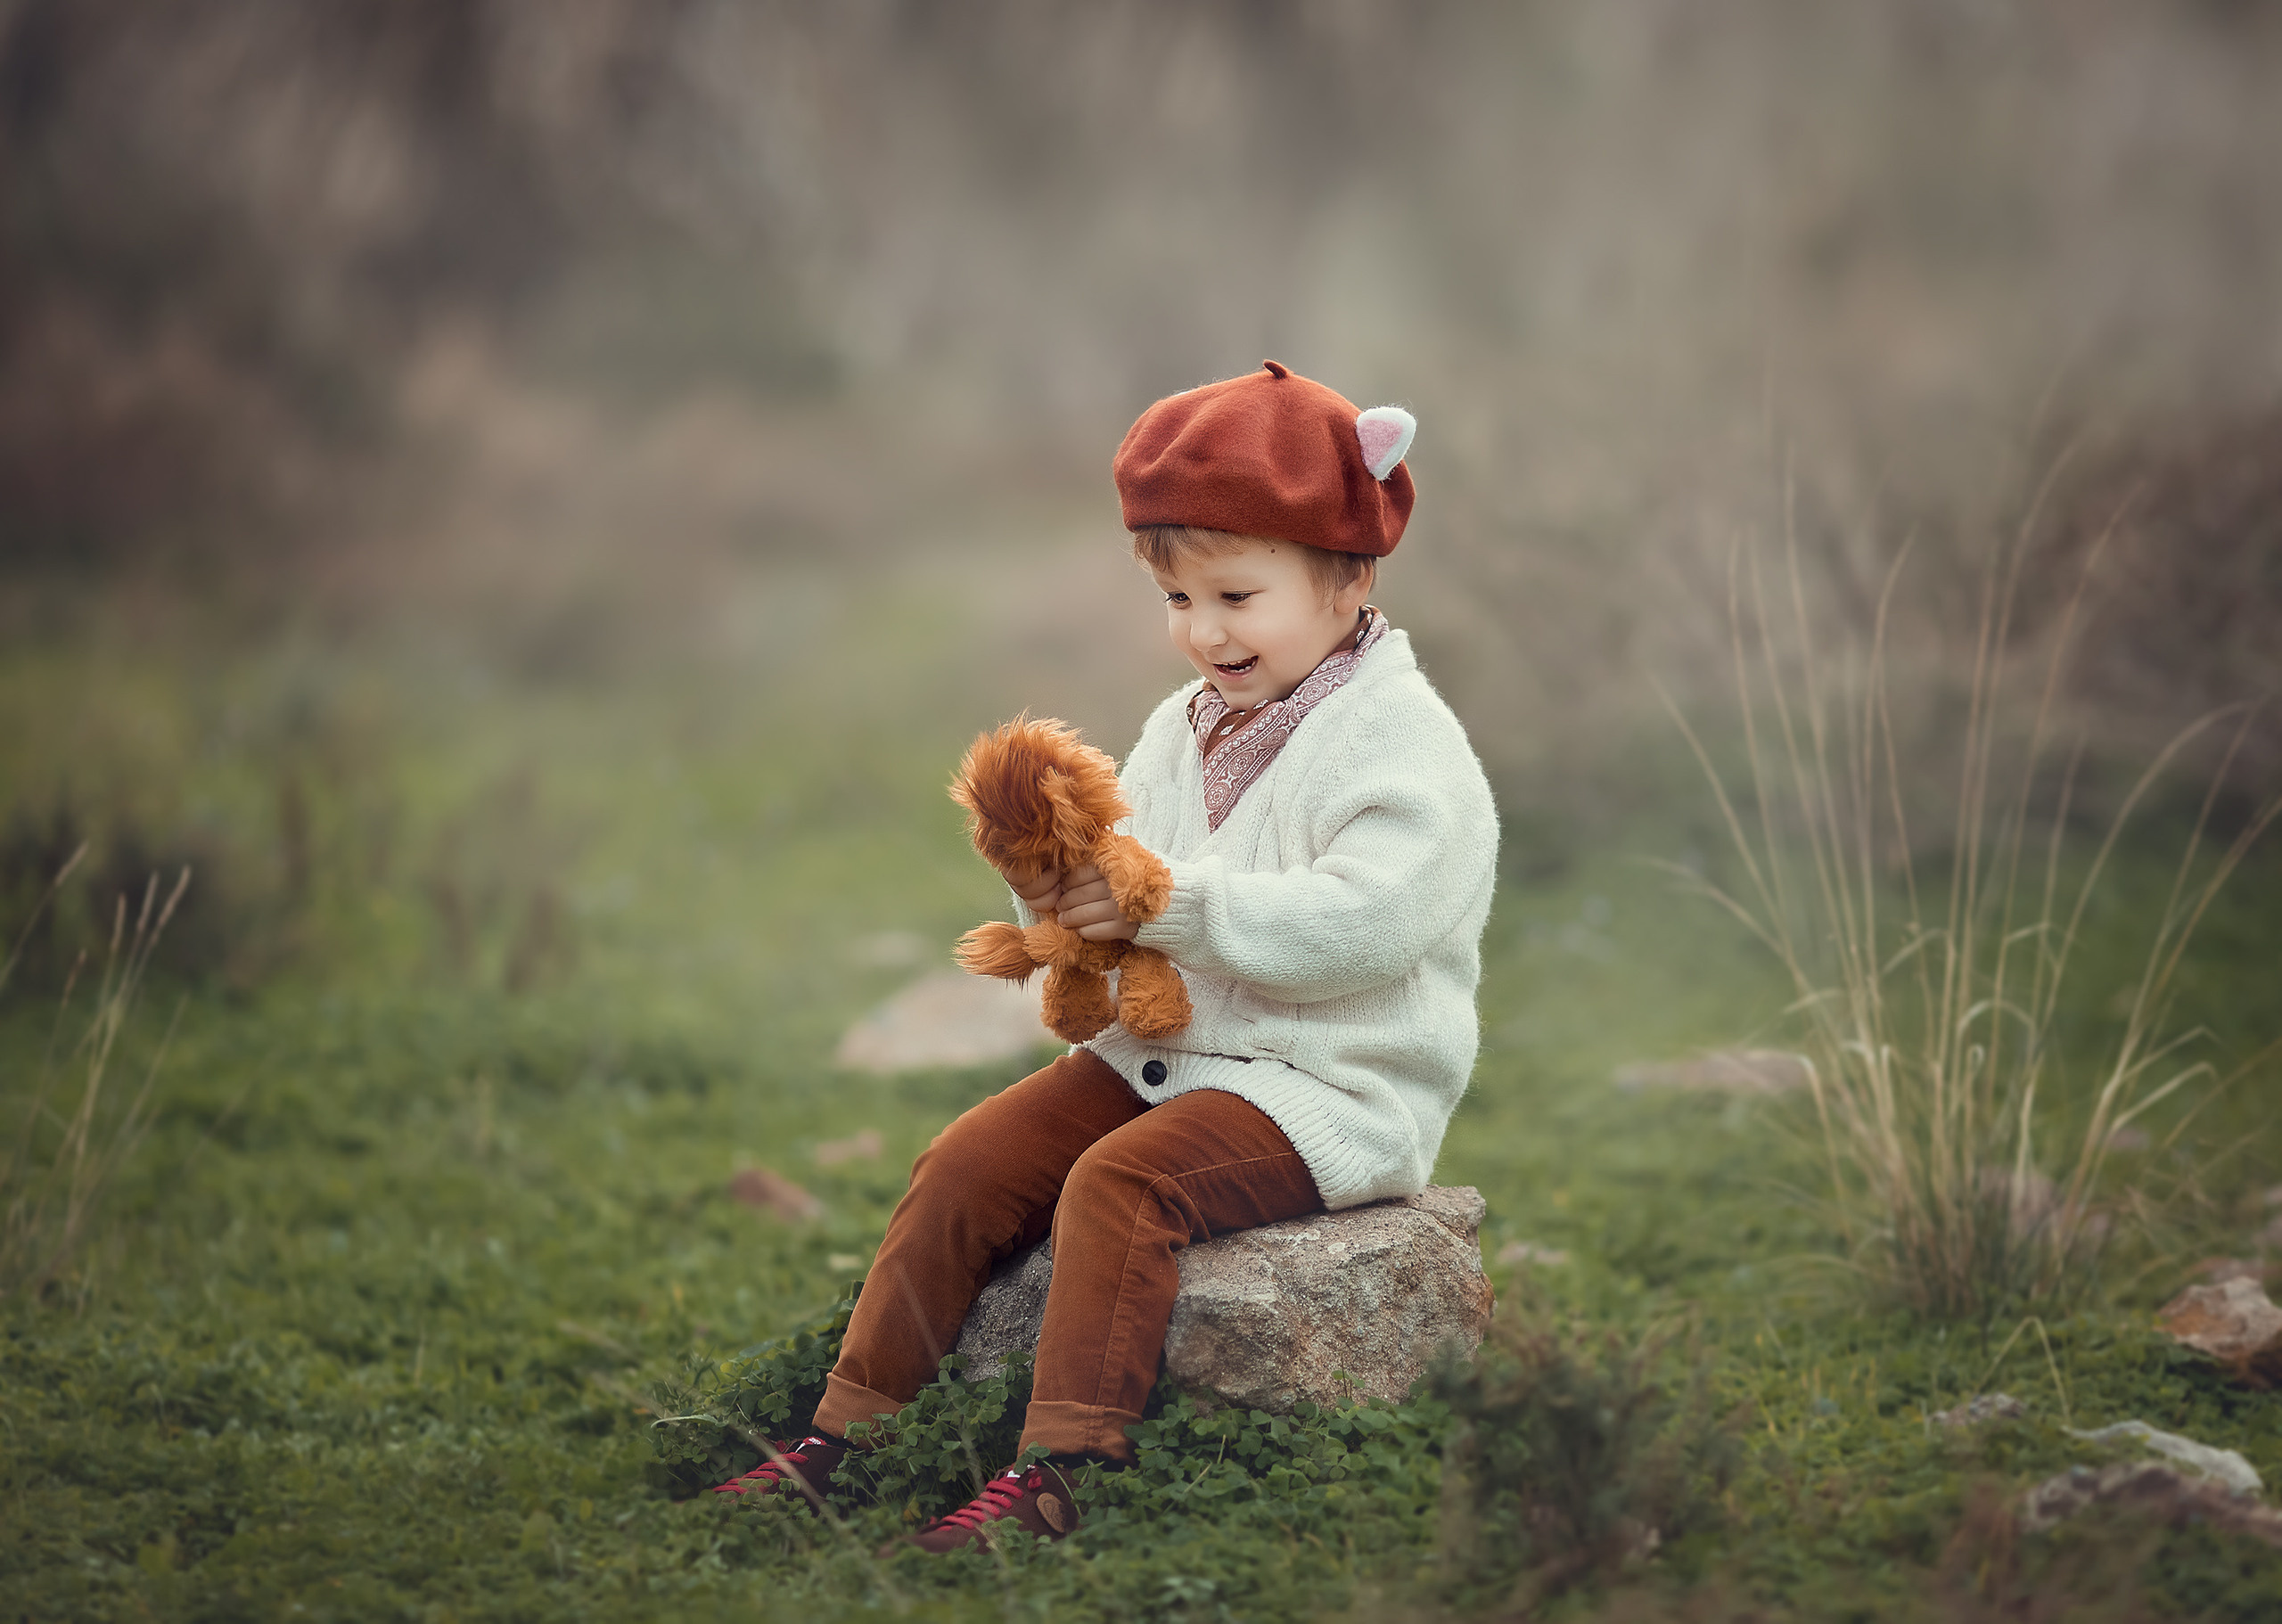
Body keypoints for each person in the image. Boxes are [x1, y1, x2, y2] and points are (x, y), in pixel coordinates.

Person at [711, 360, 1499, 1554]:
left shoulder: (1404, 749)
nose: (1206, 632)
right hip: (1175, 1049)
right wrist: (1050, 885)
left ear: (1349, 578)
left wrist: (1172, 905)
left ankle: (1062, 1469)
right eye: (1180, 600)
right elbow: (1124, 867)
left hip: (1330, 1082)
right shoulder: (1186, 726)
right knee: (968, 1159)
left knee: (1121, 1185)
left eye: (1238, 594)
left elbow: (1363, 924)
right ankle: (851, 1429)